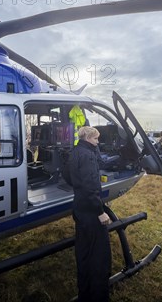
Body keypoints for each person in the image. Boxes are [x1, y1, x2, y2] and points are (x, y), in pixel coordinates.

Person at [67, 126, 112, 302]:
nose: (98, 142)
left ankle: (84, 293)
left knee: (83, 253)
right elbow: (91, 186)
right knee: (100, 257)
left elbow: (67, 175)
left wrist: (77, 185)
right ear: (87, 138)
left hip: (79, 208)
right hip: (91, 212)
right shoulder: (88, 156)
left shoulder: (75, 151)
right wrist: (100, 211)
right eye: (95, 139)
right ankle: (99, 295)